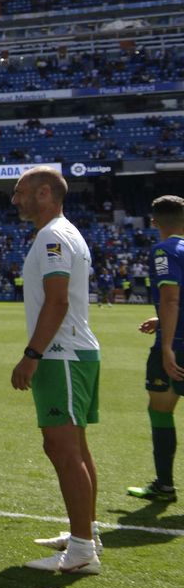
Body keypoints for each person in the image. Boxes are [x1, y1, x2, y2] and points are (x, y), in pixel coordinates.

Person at [12, 167, 102, 574]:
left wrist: (32, 354)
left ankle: (82, 551)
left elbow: (58, 300)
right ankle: (86, 533)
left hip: (61, 354)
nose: (15, 200)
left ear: (44, 193)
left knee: (63, 449)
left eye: (20, 192)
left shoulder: (53, 236)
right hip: (73, 352)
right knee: (75, 447)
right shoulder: (64, 232)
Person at [130, 195, 184, 502]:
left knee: (160, 409)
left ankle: (164, 486)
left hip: (178, 344)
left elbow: (171, 299)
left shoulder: (164, 250)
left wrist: (166, 345)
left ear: (154, 222)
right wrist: (161, 318)